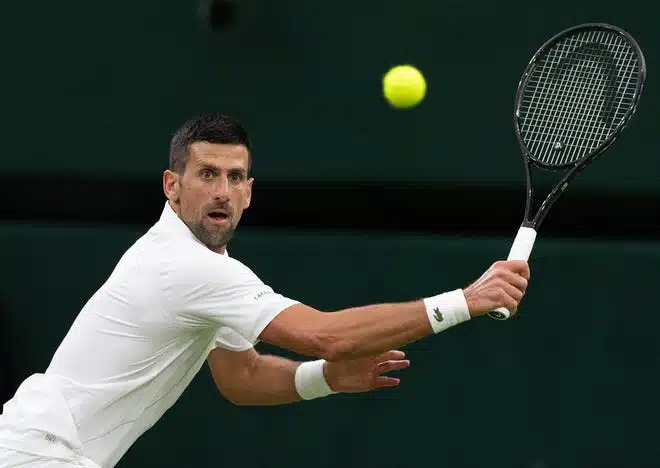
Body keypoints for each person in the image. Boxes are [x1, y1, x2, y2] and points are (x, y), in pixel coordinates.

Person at [0, 112, 530, 468]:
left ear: (250, 193)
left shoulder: (205, 267)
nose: (222, 192)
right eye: (207, 174)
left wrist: (326, 380)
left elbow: (242, 375)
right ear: (172, 185)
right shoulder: (185, 267)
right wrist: (466, 300)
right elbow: (326, 335)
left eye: (235, 178)